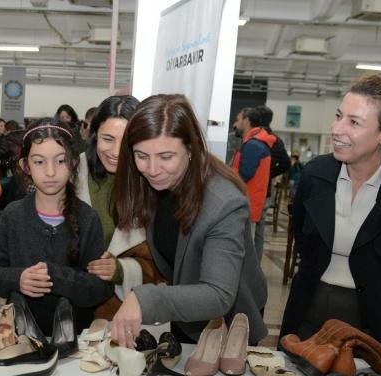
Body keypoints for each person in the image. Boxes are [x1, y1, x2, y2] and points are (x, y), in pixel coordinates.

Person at [280, 74, 381, 356]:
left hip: (372, 324)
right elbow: (306, 240)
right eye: (339, 116)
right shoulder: (316, 175)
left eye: (354, 122)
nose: (337, 129)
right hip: (307, 310)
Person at [110, 94, 268, 348]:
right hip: (186, 316)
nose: (152, 169)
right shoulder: (155, 185)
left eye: (165, 156)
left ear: (191, 149)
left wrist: (144, 299)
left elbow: (218, 294)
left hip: (229, 327)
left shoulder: (224, 202)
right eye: (141, 156)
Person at [0, 118, 113, 336]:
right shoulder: (13, 215)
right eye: (39, 162)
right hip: (20, 336)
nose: (50, 172)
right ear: (25, 166)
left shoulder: (88, 218)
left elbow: (100, 288)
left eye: (60, 161)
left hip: (76, 337)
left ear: (73, 163)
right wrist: (19, 278)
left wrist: (58, 277)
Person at [74, 95, 164, 319]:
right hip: (67, 307)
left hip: (120, 313)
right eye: (107, 138)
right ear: (94, 136)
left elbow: (162, 265)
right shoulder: (69, 173)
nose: (115, 152)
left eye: (125, 142)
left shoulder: (152, 184)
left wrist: (121, 270)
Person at [231, 107, 273, 260]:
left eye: (238, 119)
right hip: (249, 203)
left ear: (246, 121)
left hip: (247, 204)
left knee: (244, 251)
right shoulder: (254, 142)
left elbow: (243, 175)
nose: (235, 124)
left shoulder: (254, 145)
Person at [255, 105, 290, 258]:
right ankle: (256, 262)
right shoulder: (276, 140)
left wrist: (266, 174)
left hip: (252, 189)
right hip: (266, 190)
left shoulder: (255, 138)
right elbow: (286, 163)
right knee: (260, 229)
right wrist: (269, 174)